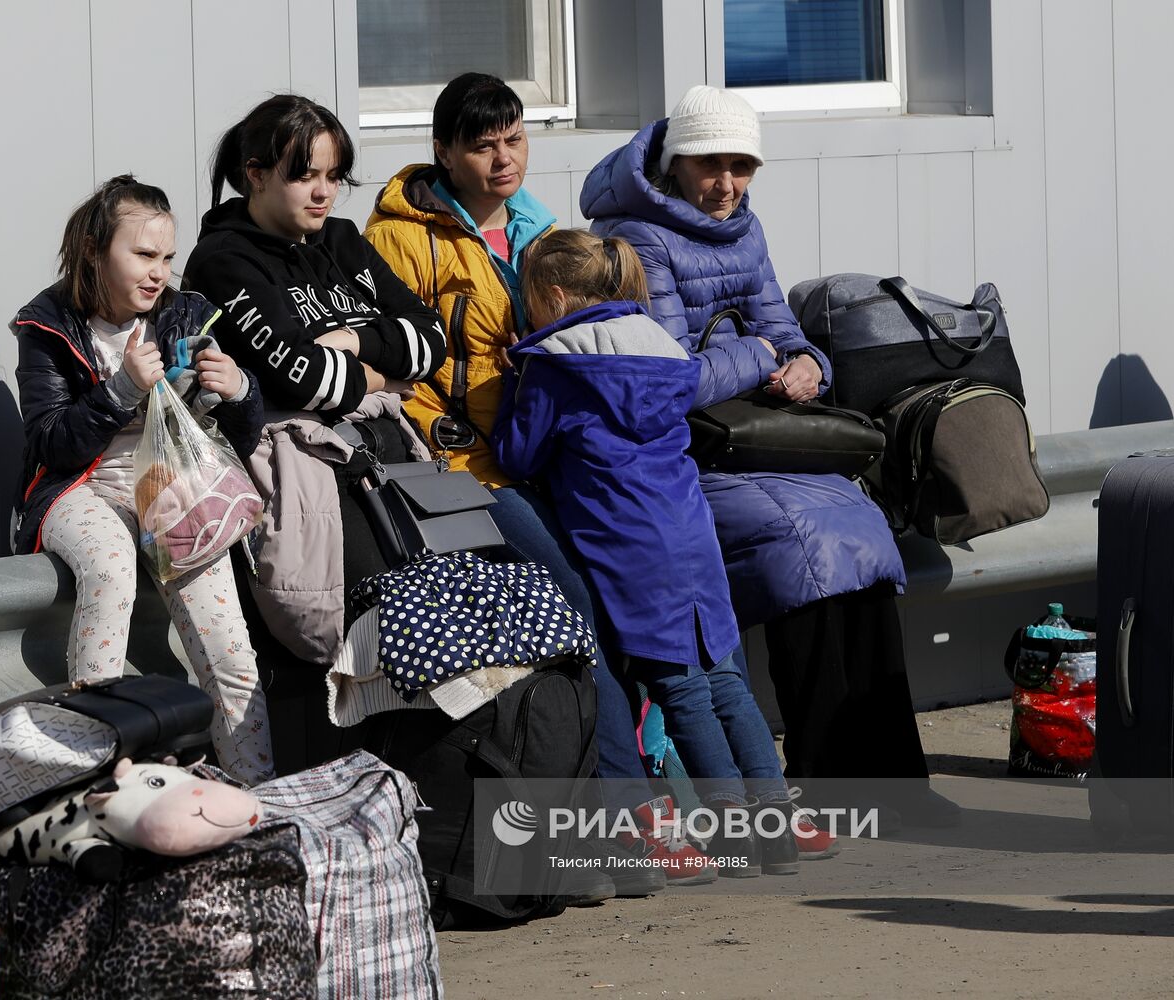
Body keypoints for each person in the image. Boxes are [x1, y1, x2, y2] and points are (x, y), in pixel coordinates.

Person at [366, 72, 747, 884]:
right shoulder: (398, 238)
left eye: (513, 139)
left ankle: (661, 810)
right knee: (580, 619)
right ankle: (637, 825)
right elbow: (406, 362)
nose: (503, 159)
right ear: (442, 152)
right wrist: (448, 435)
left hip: (547, 460)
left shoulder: (539, 224)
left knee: (614, 624)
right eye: (481, 145)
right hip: (473, 467)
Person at [580, 85, 960, 830]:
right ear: (673, 161)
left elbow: (784, 331)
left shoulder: (743, 229)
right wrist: (759, 357)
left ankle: (894, 783)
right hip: (688, 457)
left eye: (741, 166)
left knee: (863, 535)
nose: (726, 185)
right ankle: (827, 780)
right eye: (709, 165)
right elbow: (670, 378)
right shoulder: (635, 238)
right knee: (800, 549)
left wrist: (810, 365)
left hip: (763, 437)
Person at [494, 229, 802, 875]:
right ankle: (772, 833)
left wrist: (513, 386)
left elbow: (518, 456)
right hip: (690, 534)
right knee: (724, 681)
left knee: (679, 692)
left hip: (627, 547)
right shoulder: (661, 345)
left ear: (550, 294)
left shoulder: (552, 364)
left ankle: (729, 837)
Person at [11, 175, 274, 785]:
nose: (159, 273)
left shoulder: (186, 313)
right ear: (95, 253)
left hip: (169, 483)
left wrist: (239, 390)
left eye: (167, 258)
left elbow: (237, 430)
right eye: (143, 255)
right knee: (109, 571)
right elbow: (51, 443)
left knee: (230, 653)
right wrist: (122, 388)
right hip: (80, 485)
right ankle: (95, 784)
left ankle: (255, 803)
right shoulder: (48, 325)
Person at [182, 94, 446, 651]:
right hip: (310, 484)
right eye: (304, 176)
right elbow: (304, 380)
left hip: (393, 463)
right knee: (381, 649)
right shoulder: (224, 262)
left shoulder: (343, 241)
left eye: (333, 176)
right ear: (255, 175)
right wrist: (380, 378)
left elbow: (433, 340)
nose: (323, 192)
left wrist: (353, 340)